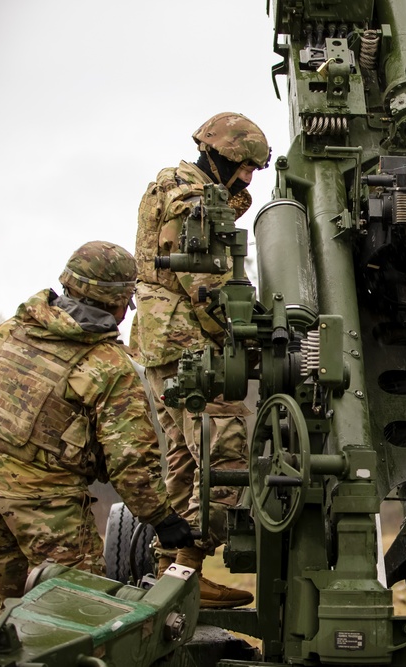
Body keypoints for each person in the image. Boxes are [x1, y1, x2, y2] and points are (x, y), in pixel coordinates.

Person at [0, 241, 194, 606]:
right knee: (78, 615)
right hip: (46, 503)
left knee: (13, 615)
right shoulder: (107, 363)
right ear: (117, 303)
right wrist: (163, 519)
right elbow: (131, 462)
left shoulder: (13, 331)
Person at [131, 112, 270, 609]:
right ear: (222, 155)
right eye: (244, 166)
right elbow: (206, 283)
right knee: (226, 450)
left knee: (185, 459)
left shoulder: (169, 185)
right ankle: (188, 568)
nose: (249, 178)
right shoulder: (194, 198)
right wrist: (247, 332)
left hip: (158, 342)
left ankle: (166, 571)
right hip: (188, 343)